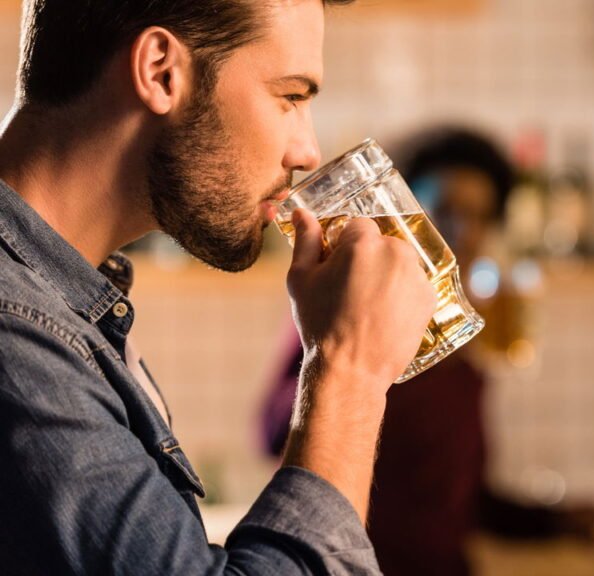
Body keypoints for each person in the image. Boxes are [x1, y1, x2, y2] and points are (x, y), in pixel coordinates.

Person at [0, 1, 439, 574]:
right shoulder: (17, 331)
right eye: (290, 96)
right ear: (161, 71)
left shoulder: (66, 306)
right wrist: (348, 370)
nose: (306, 151)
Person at [262, 126, 594, 576]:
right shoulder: (342, 311)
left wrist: (554, 522)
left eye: (479, 216)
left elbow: (460, 502)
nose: (462, 231)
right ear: (404, 212)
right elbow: (272, 434)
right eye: (446, 210)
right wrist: (345, 357)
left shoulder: (462, 350)